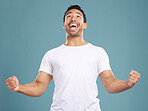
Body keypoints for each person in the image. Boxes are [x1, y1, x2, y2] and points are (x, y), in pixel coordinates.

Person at [6, 5, 141, 111]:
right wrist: (19, 88)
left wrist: (128, 84)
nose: (73, 18)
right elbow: (39, 86)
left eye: (78, 16)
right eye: (69, 16)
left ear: (85, 25)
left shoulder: (98, 52)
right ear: (64, 24)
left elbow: (110, 83)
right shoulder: (51, 54)